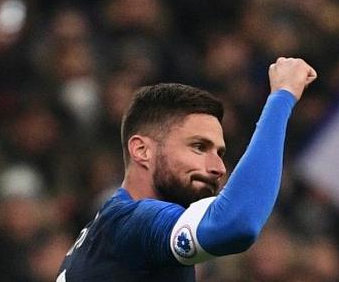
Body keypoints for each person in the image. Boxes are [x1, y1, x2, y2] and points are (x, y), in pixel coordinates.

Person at [57, 57, 317, 281]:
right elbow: (236, 224)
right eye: (198, 147)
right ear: (141, 150)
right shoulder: (132, 223)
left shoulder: (104, 234)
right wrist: (282, 97)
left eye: (219, 152)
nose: (218, 168)